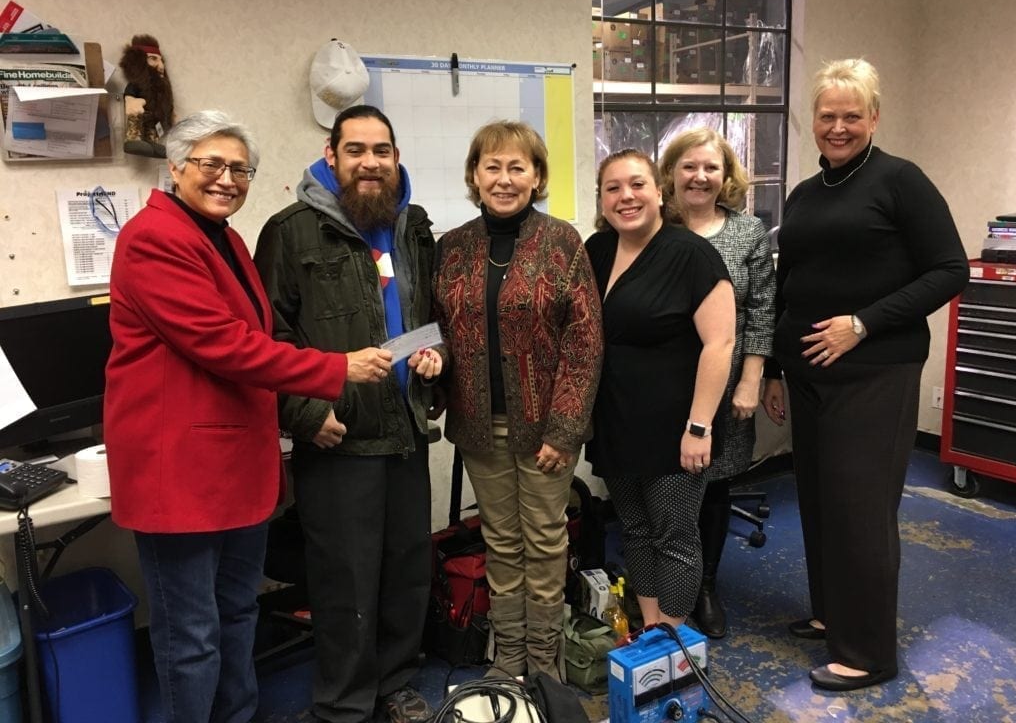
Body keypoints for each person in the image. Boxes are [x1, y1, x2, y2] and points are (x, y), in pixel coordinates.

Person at [104, 110, 394, 723]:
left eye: (240, 168)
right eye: (211, 164)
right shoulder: (154, 238)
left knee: (237, 614)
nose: (227, 179)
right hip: (181, 475)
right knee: (191, 636)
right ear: (176, 167)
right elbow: (223, 343)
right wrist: (334, 370)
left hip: (236, 465)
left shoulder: (226, 238)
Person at [761, 58, 968, 691]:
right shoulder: (803, 193)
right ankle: (832, 616)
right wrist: (772, 364)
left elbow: (949, 270)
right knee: (821, 505)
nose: (840, 126)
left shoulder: (900, 181)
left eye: (853, 115)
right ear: (814, 122)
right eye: (828, 116)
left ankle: (870, 653)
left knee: (860, 510)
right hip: (807, 372)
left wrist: (864, 323)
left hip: (876, 369)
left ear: (874, 117)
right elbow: (786, 283)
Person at [253, 104, 440, 723]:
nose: (369, 162)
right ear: (330, 157)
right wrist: (304, 414)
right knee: (345, 580)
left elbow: (422, 316)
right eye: (355, 150)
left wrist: (432, 354)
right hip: (337, 433)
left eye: (380, 150)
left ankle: (395, 680)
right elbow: (267, 338)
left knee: (408, 565)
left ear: (395, 156)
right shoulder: (291, 231)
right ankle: (344, 703)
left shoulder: (412, 226)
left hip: (407, 426)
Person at [432, 121, 603, 680]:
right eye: (492, 167)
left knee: (546, 542)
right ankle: (507, 660)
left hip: (545, 429)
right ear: (474, 176)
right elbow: (442, 332)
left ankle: (545, 663)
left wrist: (565, 429)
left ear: (536, 177)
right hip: (480, 427)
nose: (504, 179)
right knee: (501, 542)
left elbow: (584, 343)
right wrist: (434, 367)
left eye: (517, 167)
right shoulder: (452, 248)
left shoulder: (562, 244)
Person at [586, 148, 735, 630]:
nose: (625, 197)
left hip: (676, 426)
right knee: (634, 529)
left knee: (673, 535)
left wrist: (699, 426)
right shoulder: (598, 250)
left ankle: (673, 638)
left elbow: (720, 343)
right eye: (613, 188)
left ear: (657, 192)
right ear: (602, 199)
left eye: (636, 185)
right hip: (616, 422)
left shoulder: (691, 254)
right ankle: (651, 629)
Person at [659, 127, 775, 638]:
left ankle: (704, 585)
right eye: (689, 166)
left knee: (711, 484)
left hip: (725, 389)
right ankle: (664, 578)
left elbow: (761, 313)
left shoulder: (747, 234)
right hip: (660, 386)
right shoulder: (652, 225)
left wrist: (751, 379)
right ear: (671, 174)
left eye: (711, 167)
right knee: (664, 483)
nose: (699, 177)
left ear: (726, 176)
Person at [118, 34, 175, 157]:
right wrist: (132, 102)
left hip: (152, 116)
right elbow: (130, 96)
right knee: (136, 120)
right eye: (153, 59)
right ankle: (133, 139)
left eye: (161, 61)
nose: (161, 66)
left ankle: (152, 143)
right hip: (139, 112)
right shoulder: (135, 85)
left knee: (152, 126)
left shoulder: (157, 89)